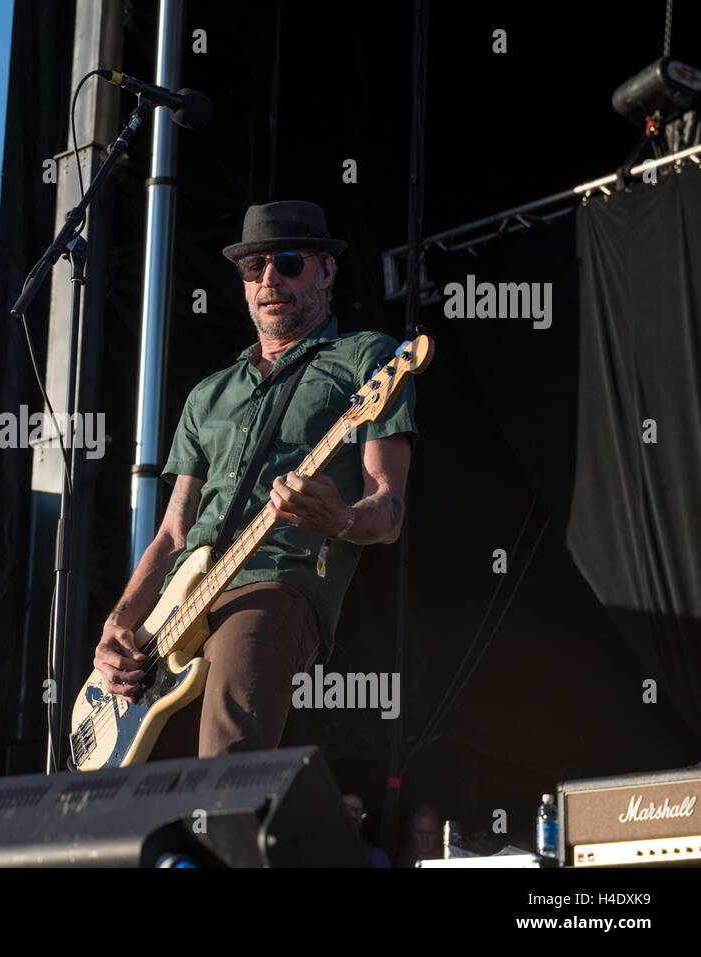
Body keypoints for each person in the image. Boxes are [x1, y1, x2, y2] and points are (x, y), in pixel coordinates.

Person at [93, 200, 417, 759]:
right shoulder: (208, 394)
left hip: (275, 579)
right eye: (253, 267)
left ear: (326, 271)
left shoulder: (367, 357)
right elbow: (173, 536)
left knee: (227, 754)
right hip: (180, 605)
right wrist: (119, 623)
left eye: (289, 262)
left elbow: (387, 511)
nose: (270, 278)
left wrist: (339, 518)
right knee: (136, 791)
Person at [342, 792, 391, 867]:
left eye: (361, 813)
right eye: (351, 809)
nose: (356, 816)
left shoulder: (375, 856)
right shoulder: (320, 846)